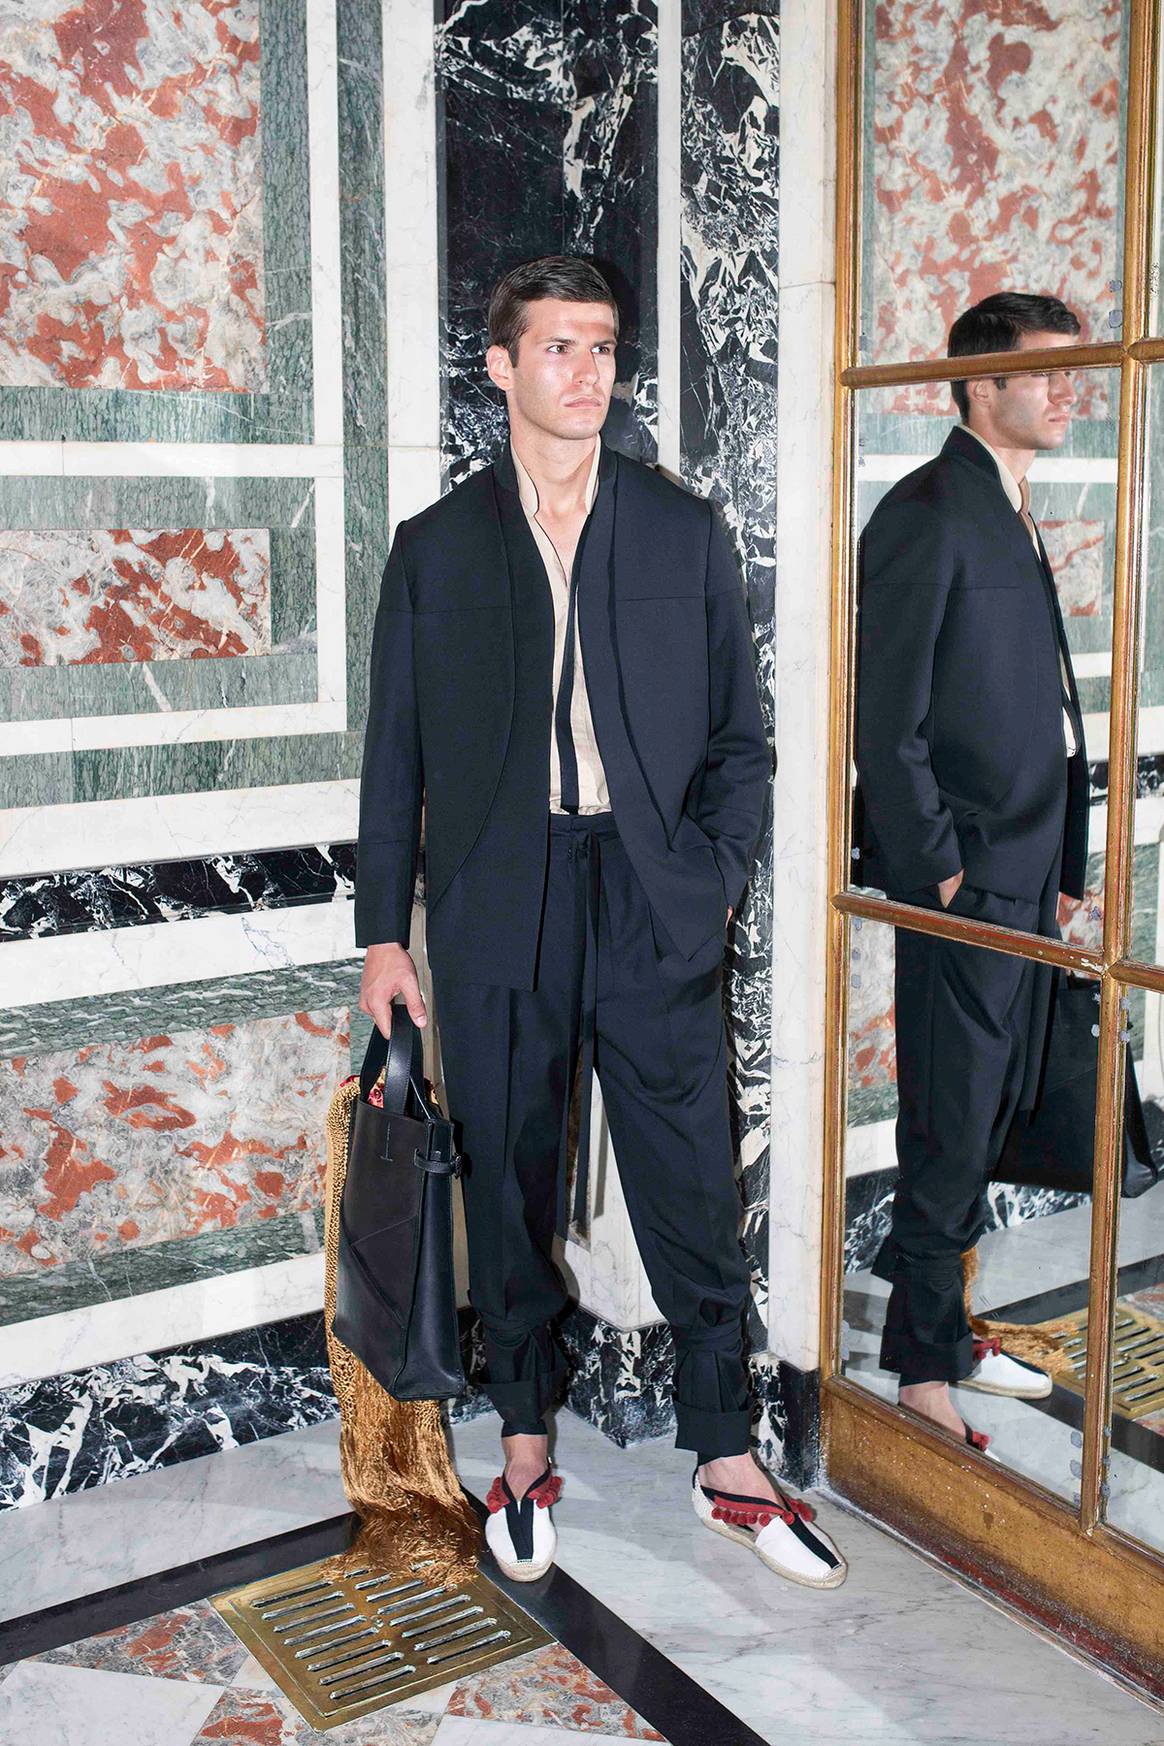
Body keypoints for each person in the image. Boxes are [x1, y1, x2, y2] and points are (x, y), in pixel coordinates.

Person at [356, 255, 846, 1588]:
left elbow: (741, 740)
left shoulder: (681, 530)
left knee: (690, 1175)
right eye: (558, 347)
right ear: (501, 365)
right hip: (497, 899)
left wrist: (714, 874)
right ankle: (523, 1439)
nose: (587, 371)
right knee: (508, 1173)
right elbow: (395, 754)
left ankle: (725, 1450)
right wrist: (384, 935)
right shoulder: (437, 547)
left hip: (651, 893)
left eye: (603, 346)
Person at [854, 292, 1089, 1449]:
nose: (1068, 391)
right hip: (970, 882)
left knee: (989, 1108)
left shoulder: (1009, 506)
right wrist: (942, 877)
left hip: (1025, 870)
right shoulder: (926, 511)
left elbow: (1043, 708)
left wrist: (1064, 866)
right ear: (981, 384)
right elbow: (885, 723)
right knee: (952, 1118)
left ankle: (944, 1330)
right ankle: (919, 1371)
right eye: (1047, 373)